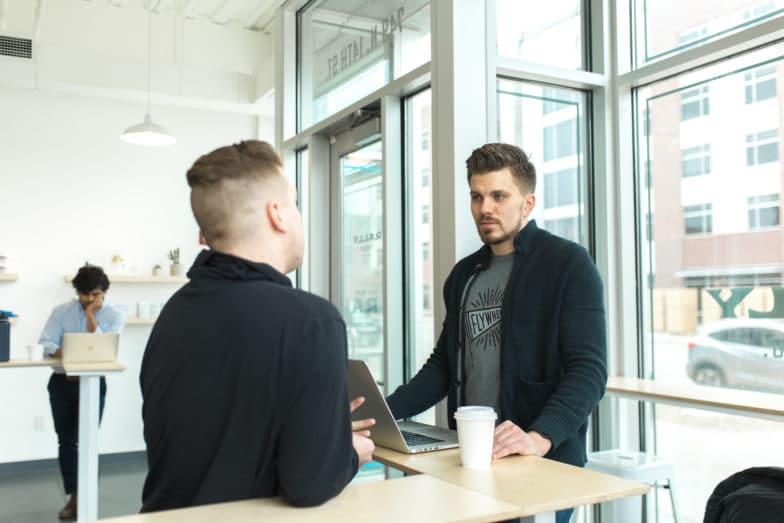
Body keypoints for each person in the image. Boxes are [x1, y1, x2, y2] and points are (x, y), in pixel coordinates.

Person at [139, 140, 374, 513]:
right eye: (295, 203)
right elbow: (309, 485)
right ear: (277, 214)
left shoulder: (175, 314)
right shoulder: (312, 321)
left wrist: (318, 428)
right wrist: (348, 453)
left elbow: (221, 439)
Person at [386, 143, 607, 523]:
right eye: (476, 196)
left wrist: (537, 438)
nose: (485, 207)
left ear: (528, 202)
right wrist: (384, 414)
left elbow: (589, 371)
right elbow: (444, 365)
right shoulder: (463, 274)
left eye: (499, 196)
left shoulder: (568, 264)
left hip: (540, 463)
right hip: (471, 458)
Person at [39, 264, 126, 520]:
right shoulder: (61, 312)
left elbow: (103, 348)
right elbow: (46, 344)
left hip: (92, 383)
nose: (88, 299)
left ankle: (84, 498)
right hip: (61, 383)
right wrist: (78, 351)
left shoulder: (114, 314)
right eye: (83, 294)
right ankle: (74, 496)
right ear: (76, 291)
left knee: (87, 442)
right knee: (67, 441)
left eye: (94, 294)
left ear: (104, 292)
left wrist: (90, 316)